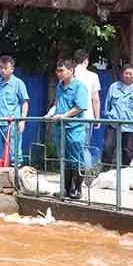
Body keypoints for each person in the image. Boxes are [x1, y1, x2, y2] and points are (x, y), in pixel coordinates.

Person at [45, 59, 89, 199]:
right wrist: (51, 113)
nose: (59, 73)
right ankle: (65, 188)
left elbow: (80, 107)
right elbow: (57, 103)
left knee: (76, 158)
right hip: (61, 128)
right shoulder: (60, 85)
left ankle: (77, 189)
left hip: (74, 128)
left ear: (71, 70)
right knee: (63, 158)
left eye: (61, 70)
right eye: (57, 70)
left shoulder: (79, 87)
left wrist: (63, 116)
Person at [0, 55, 30, 165]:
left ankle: (15, 170)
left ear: (12, 69)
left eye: (5, 68)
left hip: (12, 124)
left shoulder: (18, 84)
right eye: (1, 68)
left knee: (14, 151)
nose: (3, 70)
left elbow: (25, 103)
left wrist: (22, 121)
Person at [102, 64, 133, 171]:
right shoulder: (114, 87)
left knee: (128, 152)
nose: (128, 76)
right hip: (113, 125)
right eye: (126, 73)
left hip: (130, 127)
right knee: (108, 148)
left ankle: (123, 173)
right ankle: (105, 171)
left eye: (130, 74)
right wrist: (108, 116)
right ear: (122, 74)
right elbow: (107, 104)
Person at [73, 49, 101, 141]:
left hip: (69, 116)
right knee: (85, 146)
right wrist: (97, 118)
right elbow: (95, 99)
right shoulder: (93, 76)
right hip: (87, 116)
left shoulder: (69, 75)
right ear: (86, 61)